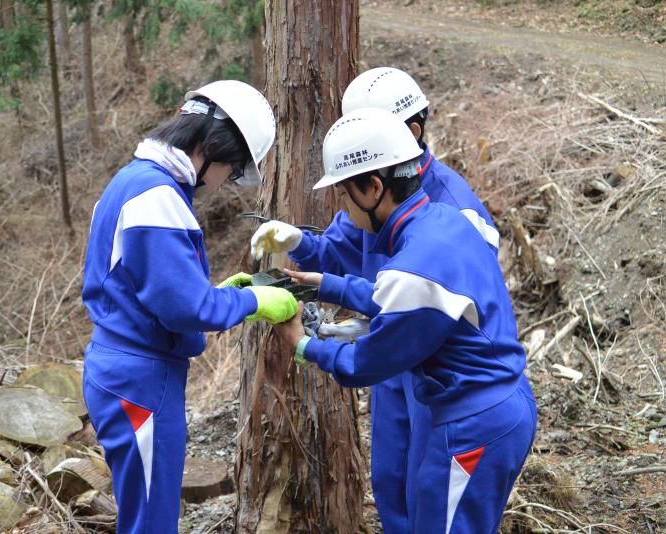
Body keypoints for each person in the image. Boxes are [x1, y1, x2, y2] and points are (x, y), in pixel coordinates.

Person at [249, 67, 501, 533]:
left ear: (411, 132)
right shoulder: (374, 195)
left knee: (431, 494)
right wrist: (299, 243)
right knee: (391, 482)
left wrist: (314, 345)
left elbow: (462, 309)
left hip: (435, 368)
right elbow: (339, 249)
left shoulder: (450, 208)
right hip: (392, 361)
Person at [81, 80, 298, 534]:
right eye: (234, 170)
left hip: (124, 368)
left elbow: (149, 290)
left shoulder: (133, 181)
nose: (227, 182)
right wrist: (256, 300)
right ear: (215, 147)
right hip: (141, 377)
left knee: (145, 511)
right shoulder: (157, 197)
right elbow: (185, 309)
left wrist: (217, 292)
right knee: (152, 521)